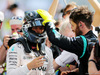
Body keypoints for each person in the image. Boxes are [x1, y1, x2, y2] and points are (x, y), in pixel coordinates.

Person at [37, 6, 97, 75]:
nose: (72, 28)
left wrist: (48, 21)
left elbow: (55, 38)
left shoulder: (82, 41)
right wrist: (74, 72)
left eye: (72, 25)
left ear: (81, 24)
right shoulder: (94, 38)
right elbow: (88, 67)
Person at [6, 11, 54, 75]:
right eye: (35, 28)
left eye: (41, 28)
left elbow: (50, 73)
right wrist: (29, 66)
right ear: (28, 28)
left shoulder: (47, 51)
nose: (39, 31)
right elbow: (10, 73)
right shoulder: (15, 48)